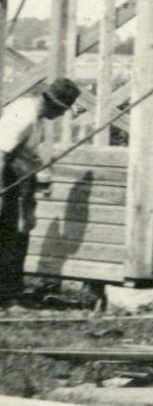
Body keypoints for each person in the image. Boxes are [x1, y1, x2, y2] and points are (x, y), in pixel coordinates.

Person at [0, 77, 80, 310]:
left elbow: (26, 157)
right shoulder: (23, 116)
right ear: (56, 105)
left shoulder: (36, 116)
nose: (63, 115)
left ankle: (9, 293)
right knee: (10, 240)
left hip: (18, 182)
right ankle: (7, 296)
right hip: (6, 180)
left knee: (18, 236)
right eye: (64, 110)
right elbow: (1, 154)